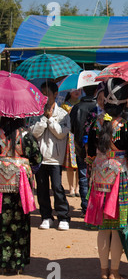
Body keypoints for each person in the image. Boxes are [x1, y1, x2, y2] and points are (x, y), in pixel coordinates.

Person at [85, 78, 128, 279]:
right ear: (127, 98)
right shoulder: (127, 127)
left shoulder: (96, 123)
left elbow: (90, 156)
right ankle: (113, 272)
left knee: (104, 228)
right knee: (119, 227)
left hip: (99, 180)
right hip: (120, 181)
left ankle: (103, 271)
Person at [0, 117, 42, 274]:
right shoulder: (26, 135)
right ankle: (17, 261)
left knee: (2, 221)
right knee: (20, 221)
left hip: (0, 185)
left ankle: (3, 261)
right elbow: (37, 158)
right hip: (21, 184)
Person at [31, 81, 71, 231]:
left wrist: (51, 119)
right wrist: (43, 119)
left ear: (55, 94)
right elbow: (33, 132)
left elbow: (61, 133)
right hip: (40, 157)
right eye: (42, 93)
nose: (44, 96)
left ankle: (63, 216)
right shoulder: (36, 112)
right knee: (41, 188)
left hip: (55, 158)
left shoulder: (63, 114)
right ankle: (46, 217)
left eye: (47, 93)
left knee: (57, 187)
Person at [69, 85, 99, 216]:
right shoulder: (98, 108)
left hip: (80, 146)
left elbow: (71, 128)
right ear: (97, 91)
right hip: (97, 149)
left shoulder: (77, 107)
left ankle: (85, 207)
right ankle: (95, 207)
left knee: (83, 176)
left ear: (83, 90)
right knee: (96, 177)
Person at [61, 89, 82, 197]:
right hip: (69, 136)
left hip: (78, 135)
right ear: (69, 91)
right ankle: (71, 188)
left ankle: (78, 187)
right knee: (70, 165)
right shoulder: (64, 106)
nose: (77, 91)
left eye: (79, 89)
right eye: (74, 90)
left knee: (79, 164)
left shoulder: (81, 104)